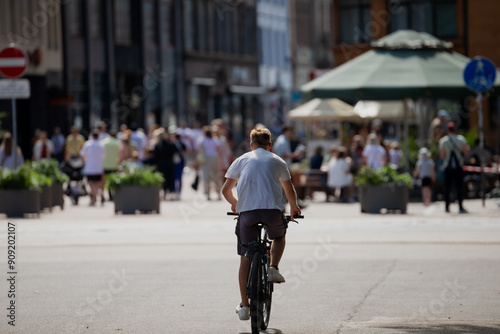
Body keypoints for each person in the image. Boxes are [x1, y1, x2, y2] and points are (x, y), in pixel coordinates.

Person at [221, 127, 301, 321]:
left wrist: (235, 204)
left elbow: (225, 190)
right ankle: (273, 268)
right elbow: (289, 190)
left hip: (247, 214)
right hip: (273, 212)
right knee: (279, 237)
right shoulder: (277, 160)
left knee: (244, 259)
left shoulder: (241, 160)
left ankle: (245, 306)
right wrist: (294, 208)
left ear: (251, 144)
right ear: (270, 145)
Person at [439, 122, 469, 213]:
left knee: (447, 188)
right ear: (455, 129)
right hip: (459, 166)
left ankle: (447, 207)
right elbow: (466, 152)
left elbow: (442, 155)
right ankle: (460, 206)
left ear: (447, 130)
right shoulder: (461, 139)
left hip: (448, 167)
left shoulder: (443, 141)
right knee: (459, 187)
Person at [196, 127, 223, 201]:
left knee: (206, 176)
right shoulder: (215, 140)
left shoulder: (202, 140)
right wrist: (221, 161)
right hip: (215, 158)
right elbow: (219, 151)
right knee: (216, 176)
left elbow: (198, 151)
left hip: (206, 158)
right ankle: (218, 193)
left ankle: (208, 193)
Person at [80, 130, 105, 206]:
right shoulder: (101, 144)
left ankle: (95, 196)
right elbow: (103, 155)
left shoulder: (88, 144)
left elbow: (82, 154)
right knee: (98, 182)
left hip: (90, 167)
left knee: (90, 182)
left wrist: (85, 162)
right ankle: (98, 195)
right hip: (98, 167)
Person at [153, 128, 178, 200]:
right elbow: (174, 152)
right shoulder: (170, 143)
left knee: (163, 179)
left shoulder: (157, 145)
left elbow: (156, 157)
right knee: (170, 178)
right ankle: (170, 192)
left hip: (161, 164)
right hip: (169, 164)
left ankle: (164, 192)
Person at [100, 130, 120, 201]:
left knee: (104, 181)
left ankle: (104, 195)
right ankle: (112, 195)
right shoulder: (117, 143)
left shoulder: (103, 142)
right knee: (113, 180)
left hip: (105, 164)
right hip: (114, 164)